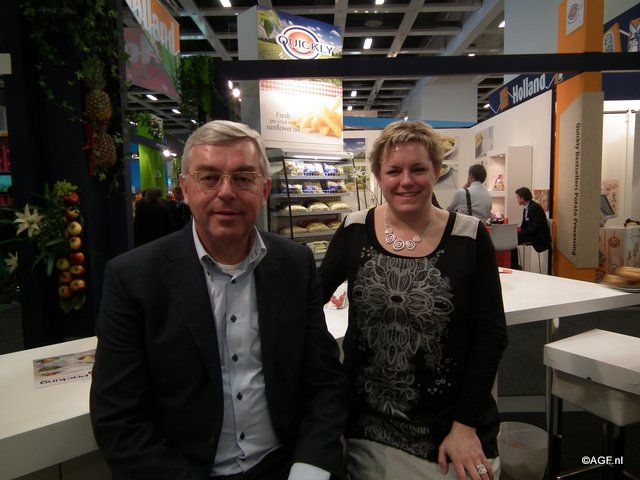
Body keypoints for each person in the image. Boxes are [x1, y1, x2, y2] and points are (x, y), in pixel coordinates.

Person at [90, 120, 347, 480]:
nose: (226, 192)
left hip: (286, 465)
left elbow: (323, 380)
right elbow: (118, 419)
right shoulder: (133, 277)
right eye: (209, 177)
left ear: (264, 190)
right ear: (184, 188)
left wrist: (310, 467)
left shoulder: (294, 264)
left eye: (243, 178)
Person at [319, 121, 508, 480]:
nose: (406, 181)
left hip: (451, 428)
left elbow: (491, 336)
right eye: (394, 171)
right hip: (367, 427)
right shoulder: (354, 229)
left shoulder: (469, 237)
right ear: (378, 176)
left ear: (436, 171)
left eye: (418, 169)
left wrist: (465, 426)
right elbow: (307, 305)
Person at [511, 187, 551, 269]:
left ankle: (514, 266)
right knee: (511, 238)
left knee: (511, 240)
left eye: (517, 197)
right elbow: (526, 225)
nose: (516, 199)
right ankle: (514, 265)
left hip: (537, 236)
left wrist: (519, 232)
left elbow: (534, 228)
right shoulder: (528, 207)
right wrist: (517, 229)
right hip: (531, 233)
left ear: (522, 198)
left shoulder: (534, 208)